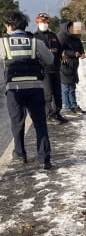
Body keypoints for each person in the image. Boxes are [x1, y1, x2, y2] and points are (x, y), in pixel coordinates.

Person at [0, 11, 53, 170]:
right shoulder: (35, 42)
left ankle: (20, 153)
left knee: (17, 123)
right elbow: (49, 60)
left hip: (14, 90)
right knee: (40, 123)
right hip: (35, 88)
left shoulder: (3, 43)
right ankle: (44, 159)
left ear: (9, 25)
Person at [34, 12, 68, 125]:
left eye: (45, 22)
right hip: (44, 70)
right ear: (37, 23)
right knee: (47, 94)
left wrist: (62, 54)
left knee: (58, 93)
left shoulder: (53, 36)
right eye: (41, 22)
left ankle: (57, 113)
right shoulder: (34, 37)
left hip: (56, 68)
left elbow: (60, 49)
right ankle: (50, 115)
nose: (44, 24)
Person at [57, 21, 86, 117]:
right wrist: (73, 53)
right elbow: (61, 50)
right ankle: (66, 107)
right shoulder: (62, 36)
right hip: (65, 65)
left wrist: (82, 53)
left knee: (72, 87)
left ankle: (74, 105)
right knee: (65, 88)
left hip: (73, 66)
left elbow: (80, 46)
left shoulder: (76, 37)